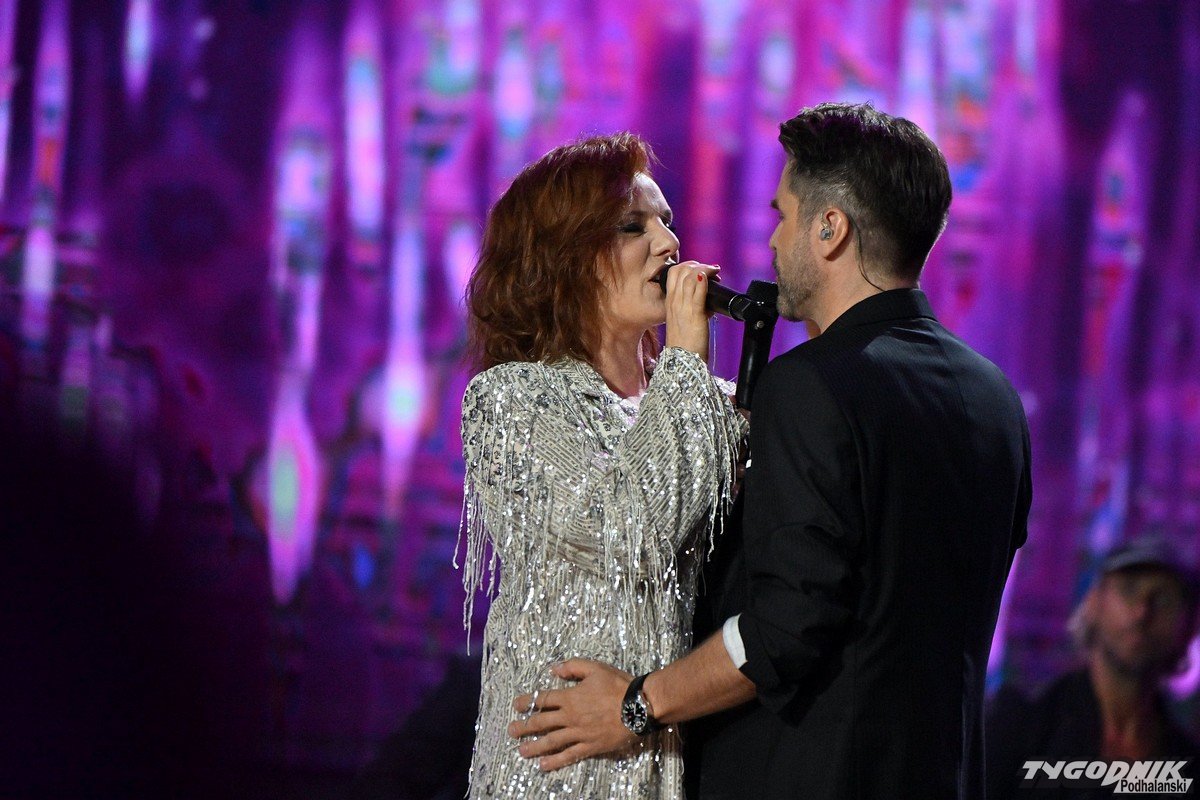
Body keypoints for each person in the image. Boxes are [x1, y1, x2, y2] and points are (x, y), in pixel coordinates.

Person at [509, 102, 1033, 800]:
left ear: (830, 228)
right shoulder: (995, 398)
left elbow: (786, 625)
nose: (774, 240)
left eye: (783, 216)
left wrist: (637, 704)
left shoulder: (811, 384)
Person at [457, 133, 747, 798]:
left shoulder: (713, 407)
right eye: (632, 227)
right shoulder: (510, 402)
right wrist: (685, 358)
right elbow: (630, 531)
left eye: (666, 222)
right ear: (564, 257)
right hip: (557, 776)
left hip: (677, 767)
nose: (670, 245)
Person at [986, 537, 1199, 799]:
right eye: (1129, 589)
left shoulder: (1187, 763)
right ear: (1094, 601)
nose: (1142, 612)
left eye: (1164, 599)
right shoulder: (1022, 724)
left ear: (1188, 625)